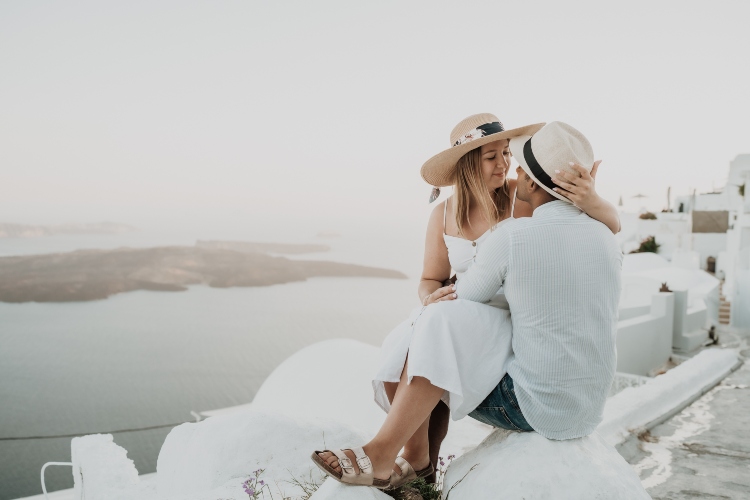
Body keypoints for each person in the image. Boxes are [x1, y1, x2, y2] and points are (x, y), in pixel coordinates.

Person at [311, 119, 622, 489]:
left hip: (508, 322)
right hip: (485, 323)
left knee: (434, 327)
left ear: (531, 181)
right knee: (416, 331)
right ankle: (418, 458)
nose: (506, 165)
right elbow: (432, 277)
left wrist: (593, 201)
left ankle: (392, 455)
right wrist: (431, 296)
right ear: (467, 165)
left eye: (508, 154)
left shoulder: (519, 205)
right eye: (492, 156)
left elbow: (546, 238)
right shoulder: (446, 214)